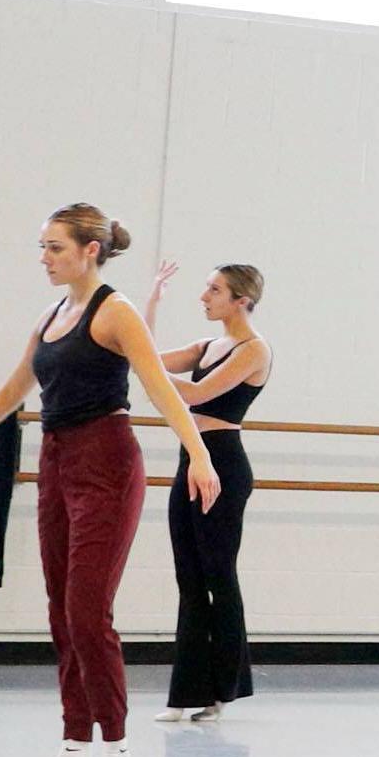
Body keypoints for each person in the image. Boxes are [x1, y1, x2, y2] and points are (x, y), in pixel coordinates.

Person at [0, 205, 220, 757]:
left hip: (108, 462)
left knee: (89, 610)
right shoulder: (53, 313)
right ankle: (72, 748)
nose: (44, 258)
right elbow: (15, 388)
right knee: (61, 610)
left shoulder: (117, 312)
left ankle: (116, 747)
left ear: (91, 250)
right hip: (57, 461)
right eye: (42, 247)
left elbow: (161, 390)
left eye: (55, 248)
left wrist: (201, 454)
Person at [145, 261, 271, 723]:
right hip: (190, 458)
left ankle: (223, 691)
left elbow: (195, 395)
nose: (204, 296)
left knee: (219, 574)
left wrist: (148, 370)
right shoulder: (207, 345)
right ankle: (185, 694)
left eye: (214, 290)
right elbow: (150, 358)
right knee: (189, 577)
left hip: (224, 463)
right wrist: (153, 300)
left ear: (241, 300)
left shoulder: (254, 350)